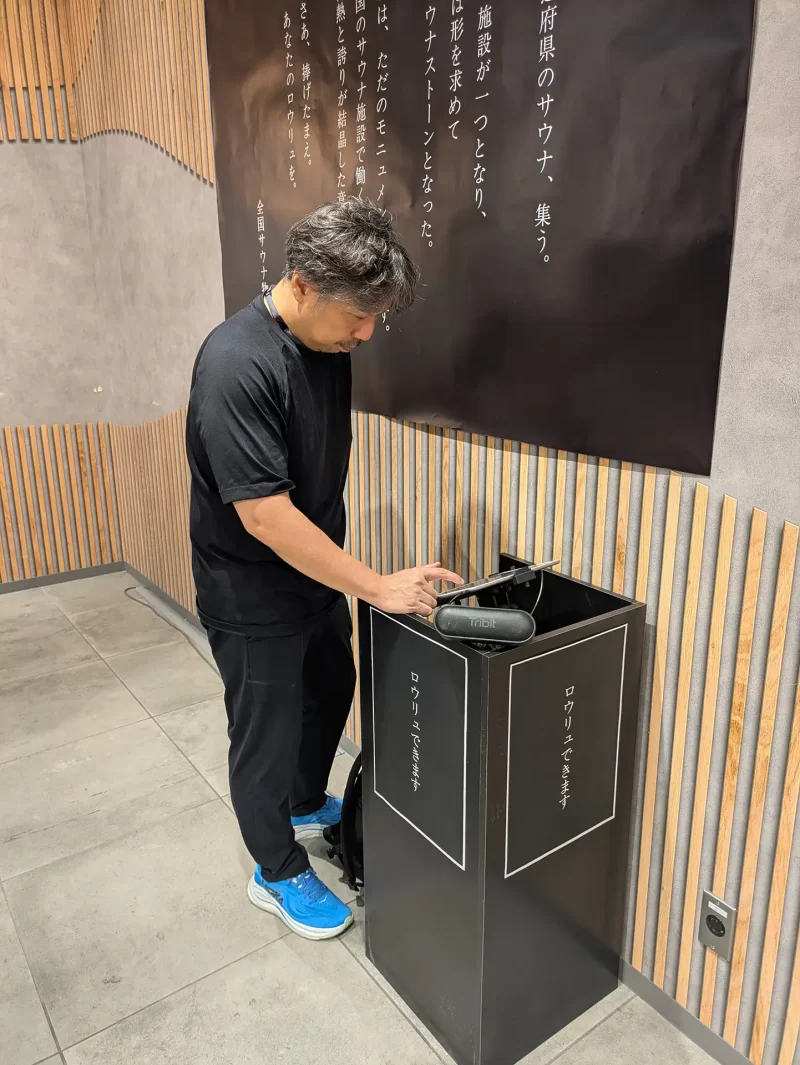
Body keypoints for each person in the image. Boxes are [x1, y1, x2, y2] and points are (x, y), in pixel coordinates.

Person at [186, 198, 463, 941]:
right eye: (359, 316)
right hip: (250, 591)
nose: (367, 333)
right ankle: (275, 868)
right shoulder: (236, 363)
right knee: (265, 733)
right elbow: (264, 515)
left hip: (312, 579)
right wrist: (376, 586)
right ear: (304, 285)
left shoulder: (325, 344)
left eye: (376, 317)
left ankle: (306, 801)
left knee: (332, 687)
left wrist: (346, 581)